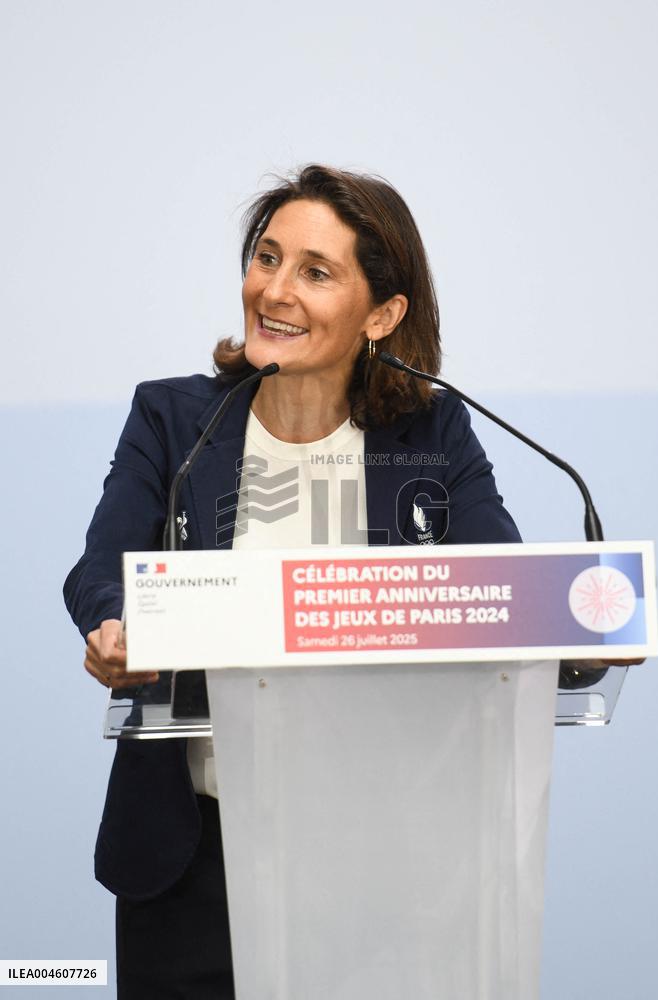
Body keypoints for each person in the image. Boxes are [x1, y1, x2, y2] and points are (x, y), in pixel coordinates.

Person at [64, 164, 524, 999]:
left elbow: (503, 591)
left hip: (383, 857)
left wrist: (580, 644)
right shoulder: (174, 418)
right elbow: (101, 569)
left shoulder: (431, 428)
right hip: (191, 857)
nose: (275, 290)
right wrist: (113, 626)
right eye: (266, 258)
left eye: (316, 272)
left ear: (382, 314)